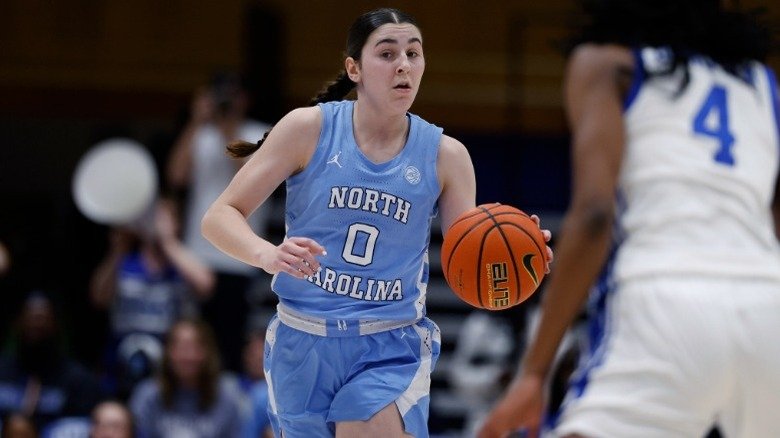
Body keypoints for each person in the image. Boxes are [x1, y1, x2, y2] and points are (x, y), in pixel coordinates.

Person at [201, 7, 552, 437]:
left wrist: (517, 258)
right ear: (354, 68)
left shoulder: (447, 156)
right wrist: (267, 254)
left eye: (414, 53)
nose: (404, 64)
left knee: (365, 426)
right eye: (387, 54)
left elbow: (471, 263)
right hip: (301, 341)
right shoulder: (306, 129)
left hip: (389, 345)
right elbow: (219, 216)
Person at [479, 1, 780, 437]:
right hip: (768, 304)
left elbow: (596, 214)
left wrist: (534, 372)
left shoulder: (607, 65)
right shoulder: (763, 85)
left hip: (663, 296)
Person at [167, 71, 273, 373]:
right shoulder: (199, 135)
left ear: (245, 99)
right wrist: (196, 121)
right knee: (192, 335)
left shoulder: (261, 133)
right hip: (197, 254)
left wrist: (228, 129)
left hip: (239, 256)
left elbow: (251, 174)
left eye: (232, 95)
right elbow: (176, 176)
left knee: (230, 339)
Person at [90, 197, 214, 398]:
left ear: (177, 223)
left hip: (171, 371)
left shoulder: (182, 265)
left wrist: (168, 241)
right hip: (121, 362)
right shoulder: (125, 263)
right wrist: (118, 250)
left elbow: (206, 284)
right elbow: (98, 297)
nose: (156, 225)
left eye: (164, 218)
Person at [0, 292, 104, 430]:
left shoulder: (79, 380)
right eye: (30, 319)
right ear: (16, 324)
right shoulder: (2, 370)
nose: (36, 324)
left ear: (56, 326)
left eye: (43, 320)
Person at [129, 318, 245, 438]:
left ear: (208, 353)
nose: (188, 356)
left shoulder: (227, 397)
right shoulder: (147, 395)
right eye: (181, 348)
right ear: (168, 353)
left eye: (195, 348)